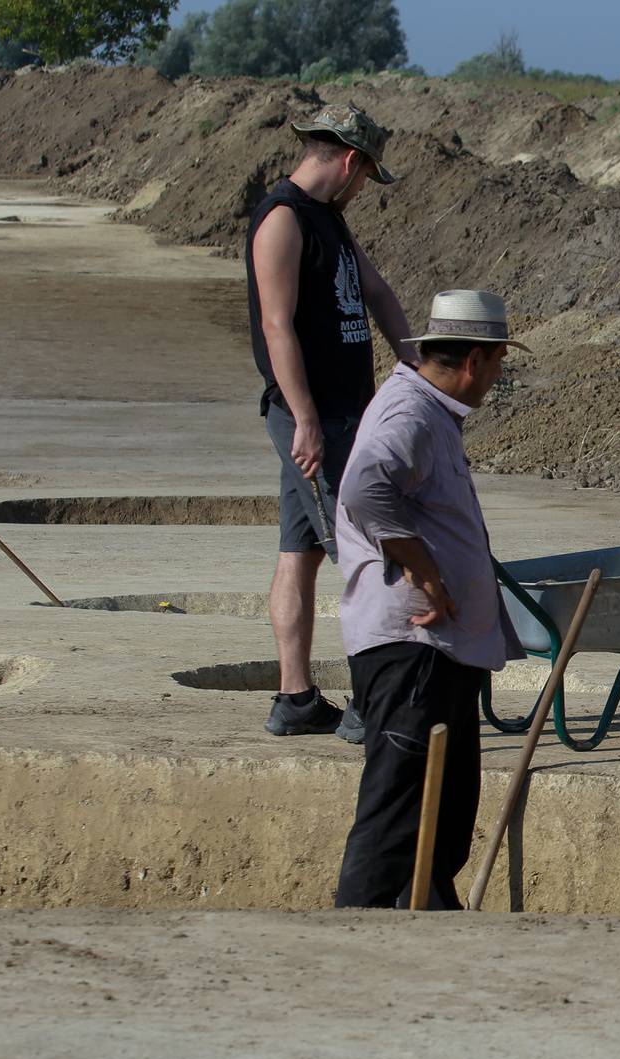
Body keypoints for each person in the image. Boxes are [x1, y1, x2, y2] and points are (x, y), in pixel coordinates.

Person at [332, 290, 528, 909]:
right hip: (411, 648)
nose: (496, 379)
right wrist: (428, 572)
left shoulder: (429, 412)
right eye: (497, 364)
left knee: (441, 822)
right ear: (474, 359)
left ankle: (428, 931)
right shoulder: (410, 415)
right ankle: (353, 937)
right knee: (396, 817)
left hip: (438, 651)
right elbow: (364, 488)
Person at [246, 103, 411, 739]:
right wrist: (307, 420)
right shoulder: (284, 221)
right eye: (368, 174)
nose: (365, 187)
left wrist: (414, 365)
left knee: (301, 551)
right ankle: (370, 705)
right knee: (367, 553)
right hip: (313, 420)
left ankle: (295, 700)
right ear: (349, 161)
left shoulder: (331, 222)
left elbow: (379, 293)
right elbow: (276, 325)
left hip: (344, 414)